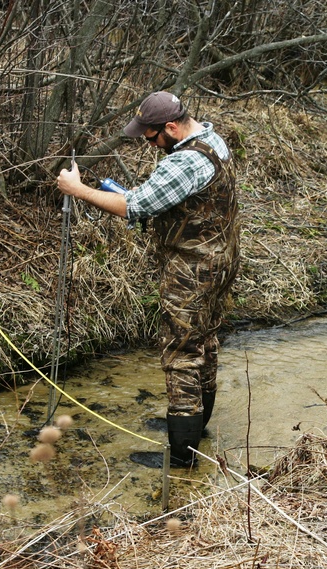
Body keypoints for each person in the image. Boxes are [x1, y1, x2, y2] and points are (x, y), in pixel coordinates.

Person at [57, 91, 240, 469]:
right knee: (204, 341)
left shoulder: (184, 162)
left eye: (151, 135)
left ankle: (181, 458)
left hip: (192, 270)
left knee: (180, 354)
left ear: (171, 127)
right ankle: (194, 429)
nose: (148, 142)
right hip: (222, 262)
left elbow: (134, 206)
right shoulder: (211, 138)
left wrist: (77, 190)